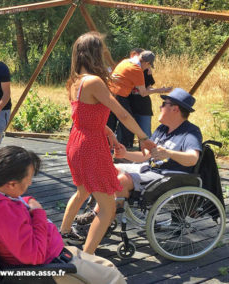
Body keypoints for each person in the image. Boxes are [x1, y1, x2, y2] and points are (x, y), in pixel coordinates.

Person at [0, 146, 126, 284]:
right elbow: (34, 256)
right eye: (29, 178)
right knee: (114, 279)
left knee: (108, 266)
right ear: (12, 184)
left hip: (54, 252)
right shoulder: (4, 210)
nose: (31, 183)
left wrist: (27, 200)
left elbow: (14, 202)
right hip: (47, 267)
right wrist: (38, 213)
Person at [59, 32, 156, 255]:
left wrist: (110, 133)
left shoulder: (75, 82)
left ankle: (64, 233)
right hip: (91, 146)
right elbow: (122, 113)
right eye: (102, 50)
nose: (105, 54)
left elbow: (83, 117)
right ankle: (87, 257)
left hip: (76, 141)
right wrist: (143, 137)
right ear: (95, 54)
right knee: (108, 207)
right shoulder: (94, 82)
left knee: (82, 191)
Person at [114, 88, 202, 199]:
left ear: (175, 109)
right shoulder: (162, 129)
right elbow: (146, 155)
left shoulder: (190, 132)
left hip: (167, 178)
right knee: (110, 170)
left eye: (164, 104)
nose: (160, 107)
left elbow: (193, 159)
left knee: (122, 181)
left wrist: (169, 153)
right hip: (149, 169)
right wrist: (125, 154)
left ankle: (106, 214)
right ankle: (100, 212)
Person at [108, 50, 172, 148]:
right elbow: (143, 93)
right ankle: (126, 149)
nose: (148, 68)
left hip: (110, 95)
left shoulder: (125, 62)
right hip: (120, 96)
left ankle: (108, 147)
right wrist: (161, 90)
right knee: (128, 122)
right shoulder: (137, 70)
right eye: (149, 66)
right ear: (147, 63)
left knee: (110, 123)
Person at [127, 48, 158, 147]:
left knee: (145, 135)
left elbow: (148, 88)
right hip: (128, 105)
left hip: (143, 107)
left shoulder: (146, 71)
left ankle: (148, 156)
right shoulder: (129, 67)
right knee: (125, 133)